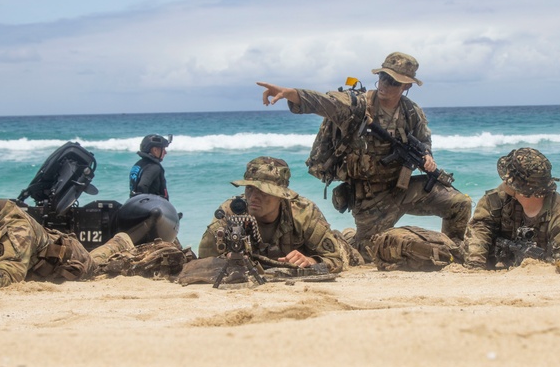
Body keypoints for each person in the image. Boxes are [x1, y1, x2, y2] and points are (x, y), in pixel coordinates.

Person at [257, 52, 471, 260]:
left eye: (394, 82)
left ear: (406, 86)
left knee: (459, 203)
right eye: (383, 78)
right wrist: (290, 93)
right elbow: (325, 103)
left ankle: (453, 254)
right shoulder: (357, 106)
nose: (386, 85)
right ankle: (349, 237)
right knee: (368, 254)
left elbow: (424, 142)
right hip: (370, 199)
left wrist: (427, 156)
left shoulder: (411, 112)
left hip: (403, 189)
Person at [0, 156, 140, 292]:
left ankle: (122, 240)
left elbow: (7, 280)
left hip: (68, 260)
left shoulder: (16, 226)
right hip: (32, 255)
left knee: (98, 262)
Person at [197, 157, 348, 273]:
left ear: (281, 195)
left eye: (263, 191)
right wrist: (226, 260)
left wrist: (311, 261)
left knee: (356, 253)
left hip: (340, 246)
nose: (253, 197)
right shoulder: (230, 213)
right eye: (249, 188)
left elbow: (336, 259)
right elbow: (203, 261)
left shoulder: (303, 213)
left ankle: (348, 235)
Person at [461, 148, 560, 269]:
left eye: (508, 179)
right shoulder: (497, 199)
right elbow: (479, 230)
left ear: (519, 189)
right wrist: (475, 264)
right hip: (502, 255)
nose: (504, 181)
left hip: (546, 256)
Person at [129, 134, 171, 198]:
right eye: (163, 149)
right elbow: (142, 186)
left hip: (134, 204)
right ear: (155, 150)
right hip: (151, 207)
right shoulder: (154, 167)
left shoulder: (138, 164)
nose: (165, 152)